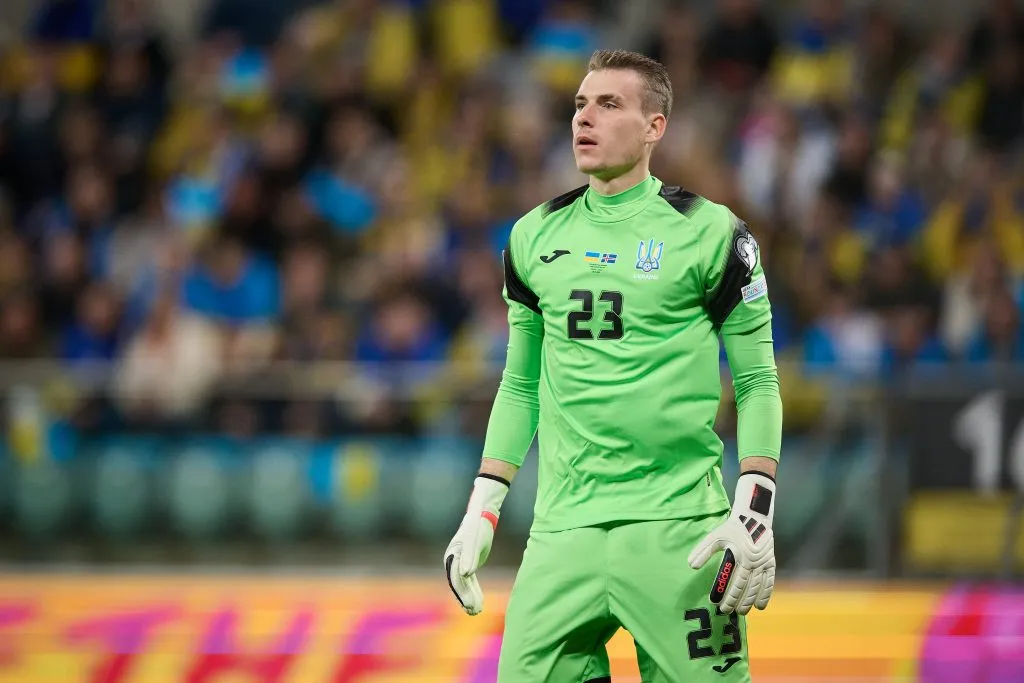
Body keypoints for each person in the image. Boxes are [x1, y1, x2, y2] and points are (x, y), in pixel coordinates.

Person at [443, 49, 782, 682]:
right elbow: (519, 383)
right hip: (561, 534)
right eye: (578, 105)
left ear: (654, 127)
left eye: (609, 104)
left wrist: (754, 507)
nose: (584, 118)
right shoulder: (533, 237)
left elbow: (759, 380)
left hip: (680, 533)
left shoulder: (712, 234)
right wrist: (481, 508)